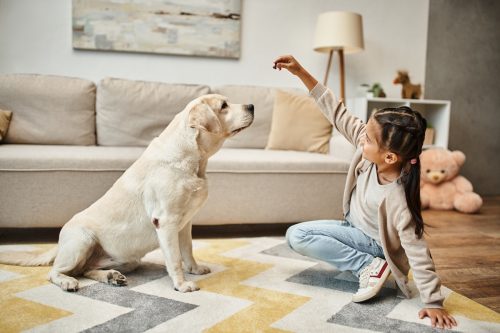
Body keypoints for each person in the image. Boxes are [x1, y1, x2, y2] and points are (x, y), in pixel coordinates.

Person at [273, 55, 457, 330]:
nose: (361, 138)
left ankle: (367, 266)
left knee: (297, 235)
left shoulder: (398, 198)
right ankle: (367, 264)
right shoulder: (370, 152)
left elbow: (418, 250)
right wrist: (301, 73)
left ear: (391, 157)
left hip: (374, 245)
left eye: (368, 138)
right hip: (354, 229)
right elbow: (335, 111)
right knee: (295, 236)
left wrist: (433, 302)